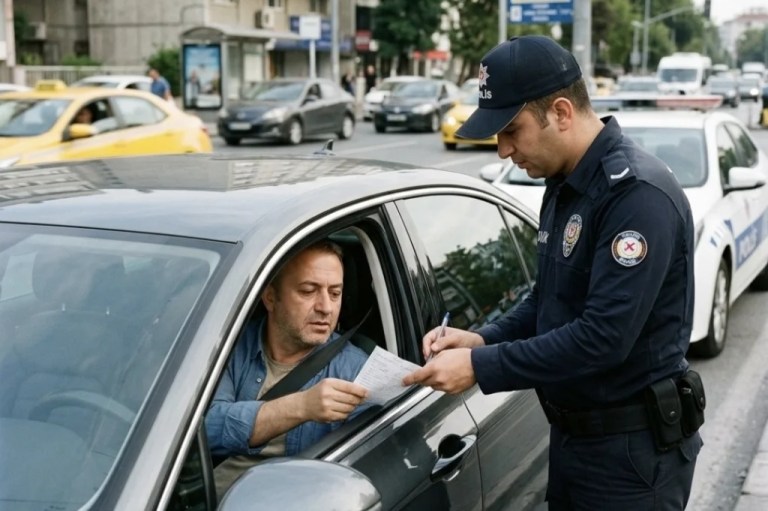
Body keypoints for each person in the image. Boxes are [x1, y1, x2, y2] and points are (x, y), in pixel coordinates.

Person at [403, 35, 703, 510]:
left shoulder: (636, 197)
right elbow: (549, 298)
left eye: (511, 130)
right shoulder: (564, 183)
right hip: (575, 442)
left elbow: (603, 337)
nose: (502, 150)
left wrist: (480, 367)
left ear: (561, 113)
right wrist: (483, 339)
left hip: (631, 459)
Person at [205, 240, 370, 498]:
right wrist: (302, 406)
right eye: (308, 291)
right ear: (270, 297)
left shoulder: (357, 371)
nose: (326, 307)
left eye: (335, 293)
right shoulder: (227, 347)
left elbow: (368, 470)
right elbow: (204, 431)